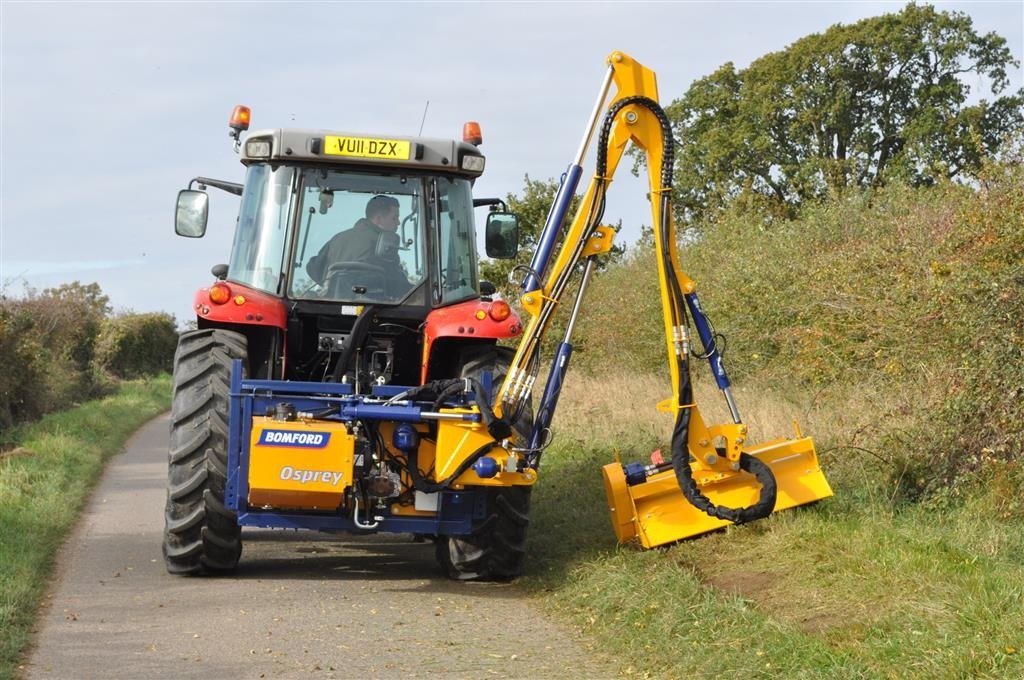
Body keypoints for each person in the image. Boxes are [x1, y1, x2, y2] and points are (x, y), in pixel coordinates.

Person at [306, 194, 410, 297]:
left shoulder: (338, 238)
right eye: (394, 218)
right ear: (379, 219)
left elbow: (313, 267)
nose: (398, 222)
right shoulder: (385, 244)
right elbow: (397, 285)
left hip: (330, 307)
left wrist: (334, 288)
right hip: (371, 308)